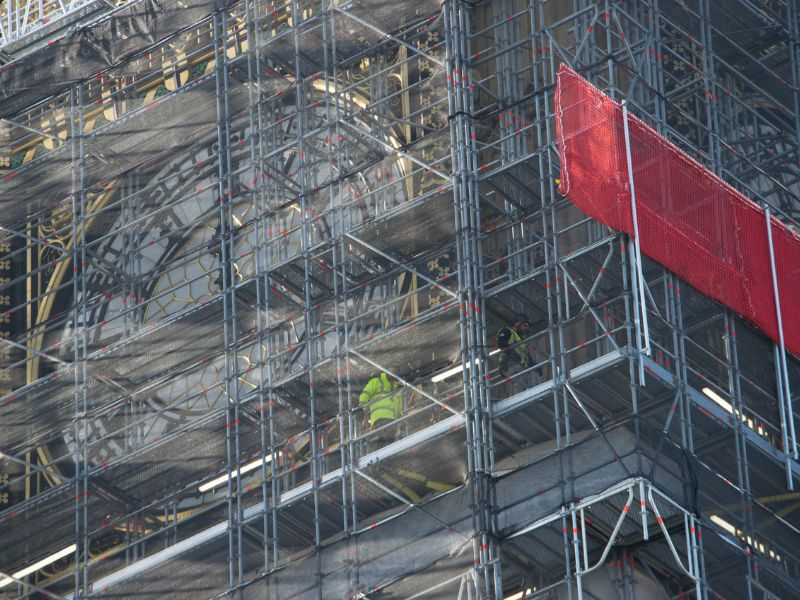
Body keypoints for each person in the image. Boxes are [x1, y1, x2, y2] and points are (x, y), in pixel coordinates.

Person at [359, 372, 403, 450]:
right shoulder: (376, 381)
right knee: (388, 441)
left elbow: (398, 409)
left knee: (386, 441)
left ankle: (383, 456)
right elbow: (363, 398)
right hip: (380, 418)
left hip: (391, 420)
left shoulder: (397, 388)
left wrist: (402, 421)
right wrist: (365, 414)